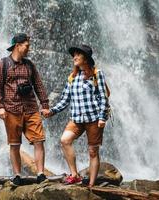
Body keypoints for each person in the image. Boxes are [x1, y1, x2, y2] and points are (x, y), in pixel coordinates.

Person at [42, 44, 109, 188]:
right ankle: (74, 175)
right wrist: (52, 111)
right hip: (77, 119)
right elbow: (65, 100)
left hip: (94, 119)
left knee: (92, 151)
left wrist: (103, 117)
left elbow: (103, 97)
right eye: (74, 55)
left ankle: (91, 185)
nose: (75, 57)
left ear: (86, 58)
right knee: (65, 140)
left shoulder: (97, 74)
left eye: (78, 55)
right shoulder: (72, 77)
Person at [0, 33, 50, 186]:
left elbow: (38, 85)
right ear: (18, 45)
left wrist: (45, 105)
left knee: (39, 141)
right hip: (11, 109)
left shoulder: (30, 65)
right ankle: (17, 175)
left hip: (31, 109)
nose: (29, 48)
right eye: (27, 45)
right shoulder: (1, 64)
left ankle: (41, 174)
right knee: (14, 144)